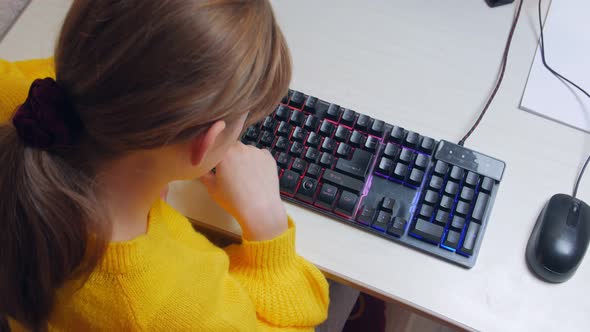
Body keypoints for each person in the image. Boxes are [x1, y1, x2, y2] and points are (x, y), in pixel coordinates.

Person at [0, 0, 330, 330]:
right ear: (207, 141)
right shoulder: (172, 307)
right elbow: (301, 317)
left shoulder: (23, 98)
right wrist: (267, 229)